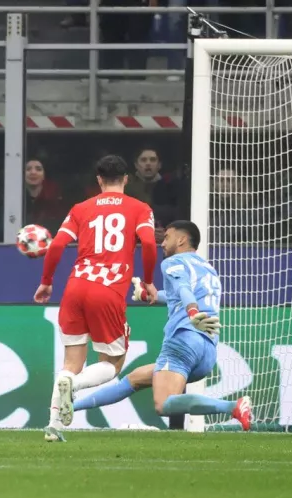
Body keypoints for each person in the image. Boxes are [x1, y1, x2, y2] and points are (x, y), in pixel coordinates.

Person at [71, 221, 252, 431]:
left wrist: (192, 311)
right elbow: (180, 294)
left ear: (182, 239)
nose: (162, 243)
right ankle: (71, 407)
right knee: (135, 379)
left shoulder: (173, 262)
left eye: (167, 237)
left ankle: (233, 407)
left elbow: (184, 289)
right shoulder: (208, 269)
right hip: (207, 348)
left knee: (164, 403)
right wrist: (149, 295)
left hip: (183, 339)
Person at [34, 155, 159, 443]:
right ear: (127, 179)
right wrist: (149, 281)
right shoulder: (140, 208)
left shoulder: (81, 208)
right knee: (112, 364)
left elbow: (57, 245)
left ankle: (54, 427)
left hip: (76, 286)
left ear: (99, 180)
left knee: (71, 361)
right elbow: (150, 243)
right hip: (108, 289)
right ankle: (74, 385)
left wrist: (46, 282)